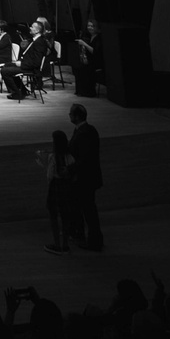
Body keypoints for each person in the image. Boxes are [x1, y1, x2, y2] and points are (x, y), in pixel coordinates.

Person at [63, 102, 104, 250]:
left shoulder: (85, 132)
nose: (69, 115)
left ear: (77, 116)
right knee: (86, 209)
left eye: (71, 113)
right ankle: (87, 238)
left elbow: (85, 158)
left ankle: (93, 240)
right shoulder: (84, 130)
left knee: (88, 210)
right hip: (85, 177)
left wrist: (70, 169)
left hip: (84, 178)